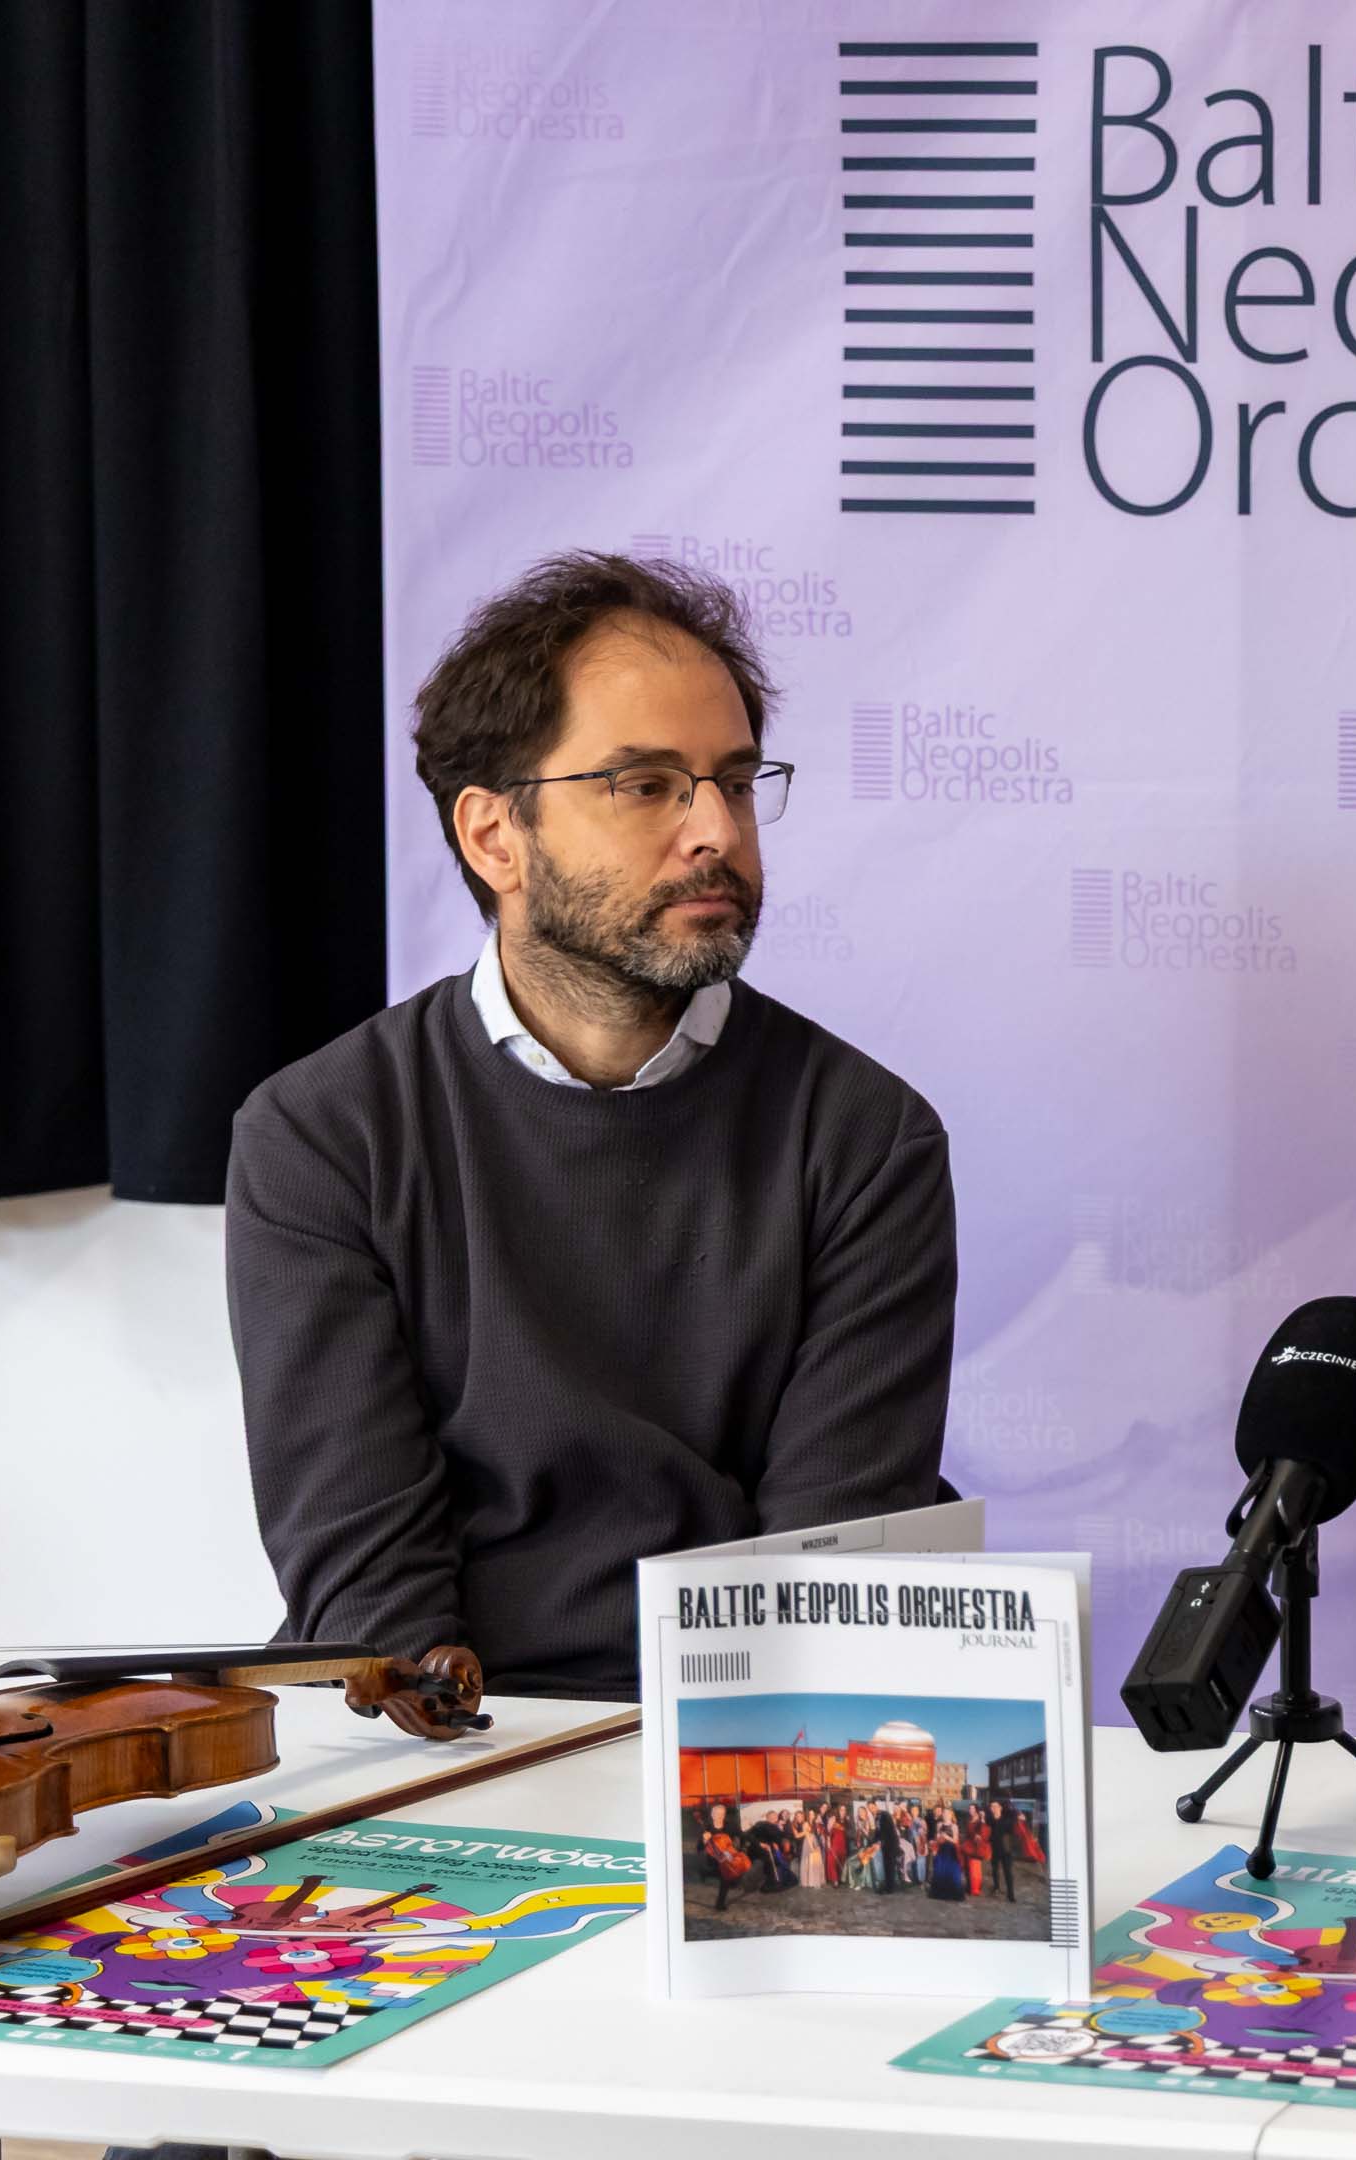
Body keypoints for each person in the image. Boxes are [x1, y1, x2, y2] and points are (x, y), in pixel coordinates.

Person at [226, 551, 960, 1713]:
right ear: (494, 837)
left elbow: (830, 1582)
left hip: (739, 1736)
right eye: (647, 785)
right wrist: (479, 1758)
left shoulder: (866, 1138)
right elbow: (367, 1589)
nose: (715, 831)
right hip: (444, 1740)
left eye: (733, 782)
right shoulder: (323, 1136)